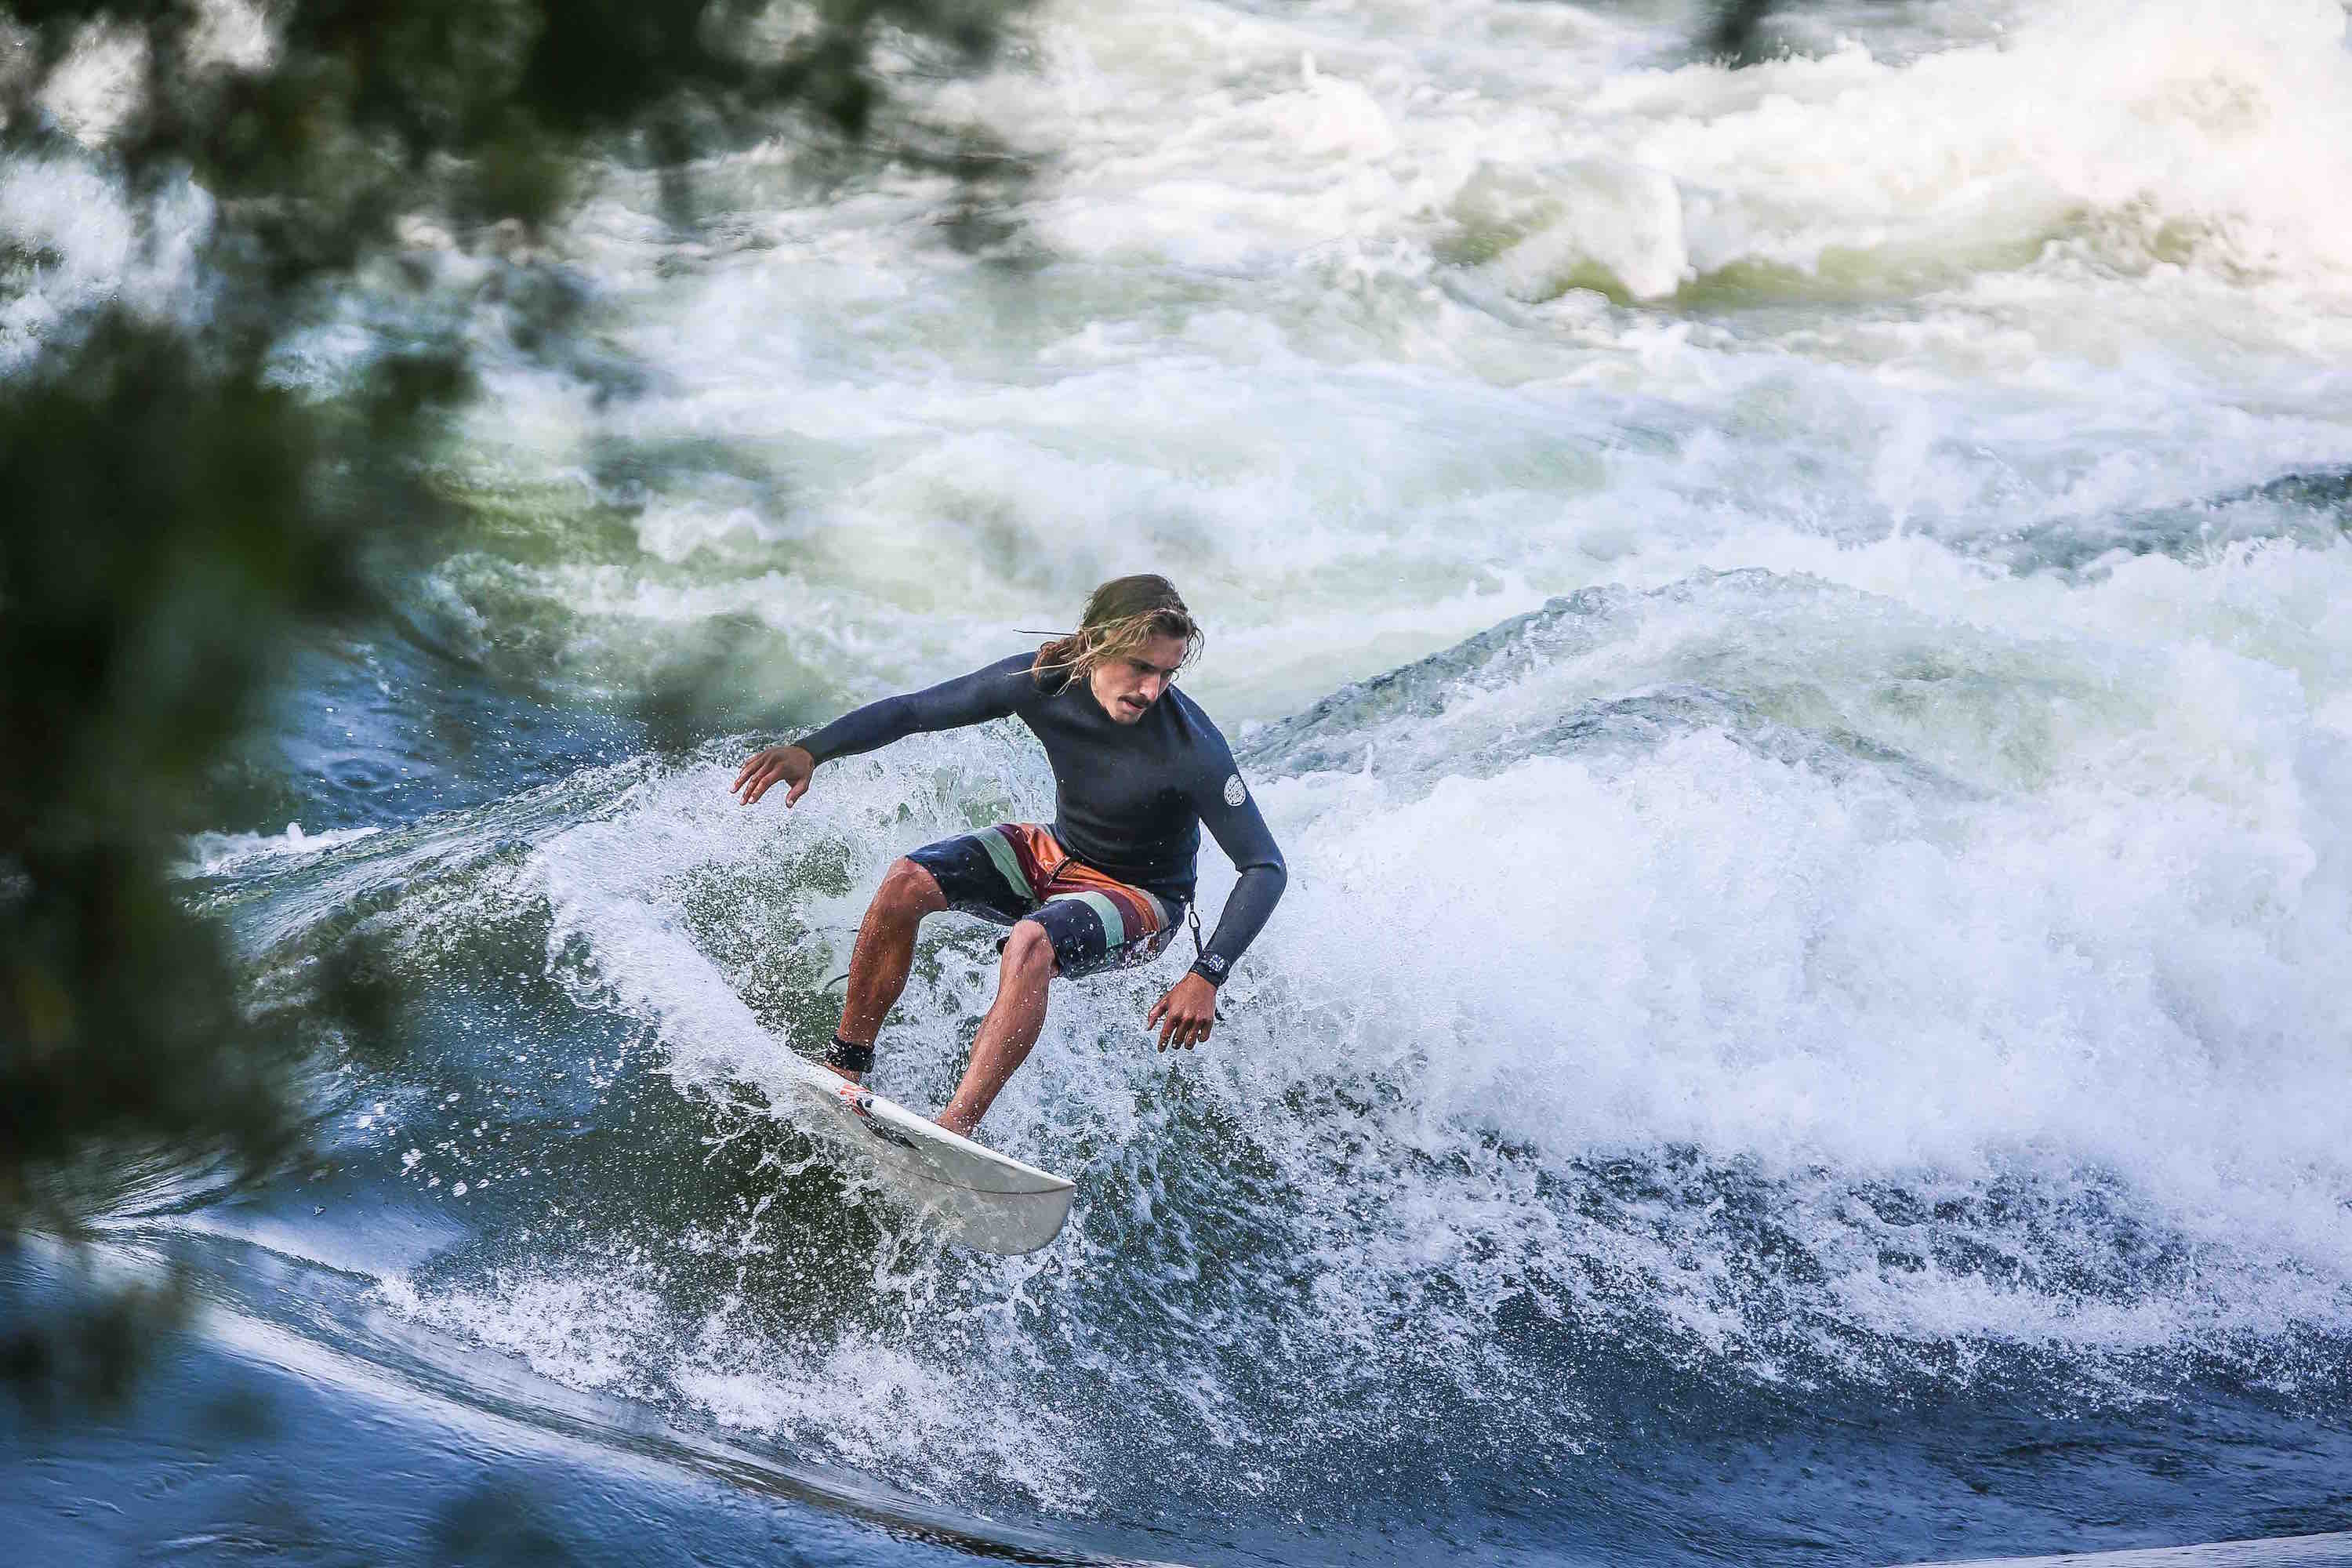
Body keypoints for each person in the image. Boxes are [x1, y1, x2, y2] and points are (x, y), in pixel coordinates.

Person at [730, 575, 1287, 1138]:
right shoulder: (1043, 681)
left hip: (1143, 897)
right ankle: (845, 1064)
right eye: (1140, 667)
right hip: (1059, 850)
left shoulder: (1195, 749)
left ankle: (952, 1132)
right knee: (906, 881)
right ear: (1096, 642)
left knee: (1030, 942)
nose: (1151, 690)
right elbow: (914, 711)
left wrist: (1206, 975)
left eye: (1166, 674)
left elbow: (1264, 866)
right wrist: (811, 750)